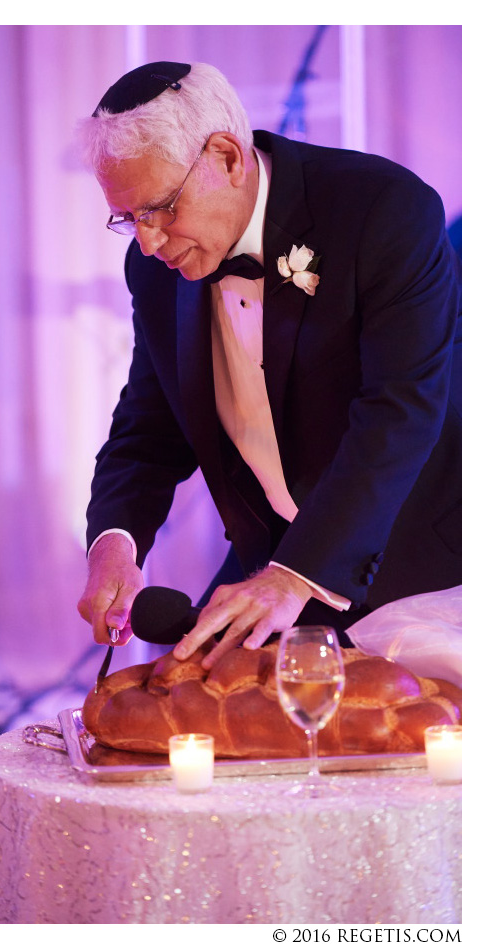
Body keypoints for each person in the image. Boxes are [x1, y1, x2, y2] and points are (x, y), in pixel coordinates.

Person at [75, 61, 461, 671]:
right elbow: (147, 434)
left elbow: (400, 412)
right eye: (127, 219)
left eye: (160, 208)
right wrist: (113, 543)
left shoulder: (381, 209)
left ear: (228, 157)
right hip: (272, 566)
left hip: (428, 568)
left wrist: (295, 576)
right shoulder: (154, 269)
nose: (147, 242)